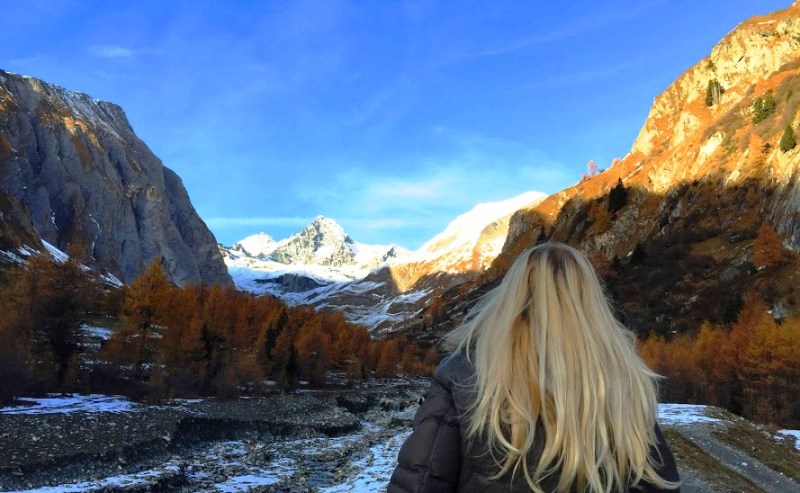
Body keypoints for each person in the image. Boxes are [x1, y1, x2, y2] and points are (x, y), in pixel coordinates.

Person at [388, 242, 680, 492]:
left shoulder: (462, 373)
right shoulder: (625, 380)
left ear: (511, 297)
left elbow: (421, 482)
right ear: (591, 302)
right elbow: (658, 482)